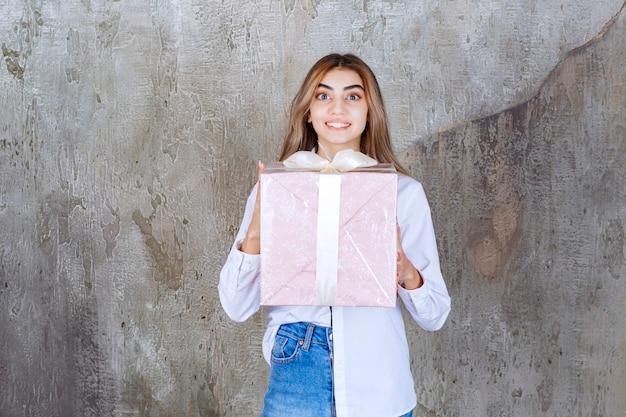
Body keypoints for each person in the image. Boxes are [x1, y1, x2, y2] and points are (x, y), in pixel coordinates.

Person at [219, 53, 451, 417]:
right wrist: (257, 229)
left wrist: (406, 271)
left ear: (370, 111)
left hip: (377, 378)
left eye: (353, 96)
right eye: (323, 96)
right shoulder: (275, 187)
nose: (337, 108)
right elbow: (235, 306)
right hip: (297, 366)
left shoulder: (403, 193)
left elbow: (435, 314)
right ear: (308, 111)